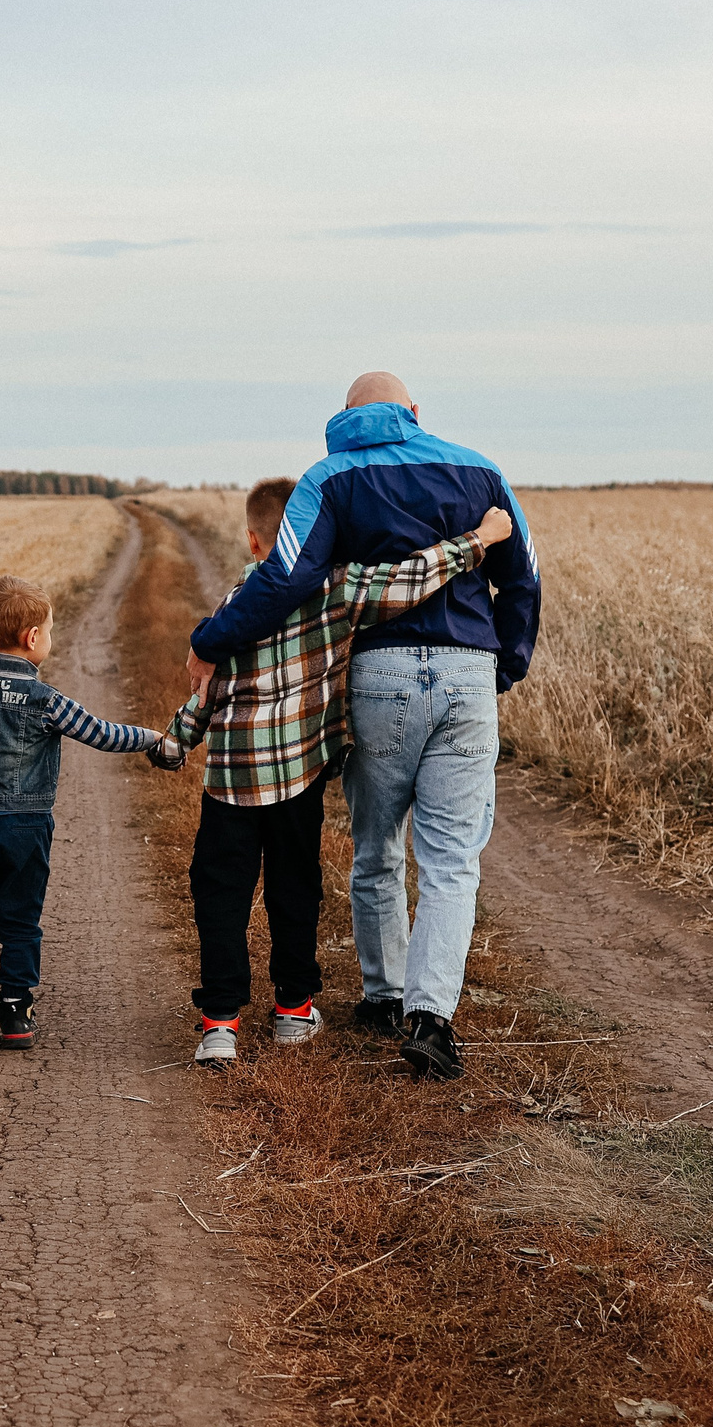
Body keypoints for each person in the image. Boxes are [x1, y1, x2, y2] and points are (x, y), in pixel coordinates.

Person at [186, 372, 540, 1080]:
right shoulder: (482, 470)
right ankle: (431, 1017)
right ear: (414, 411)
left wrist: (210, 640)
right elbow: (521, 577)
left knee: (377, 844)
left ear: (346, 417)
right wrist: (502, 666)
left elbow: (286, 579)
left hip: (379, 677)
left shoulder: (329, 477)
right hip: (468, 669)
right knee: (451, 860)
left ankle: (382, 995)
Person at [0, 575, 165, 1051]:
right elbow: (103, 733)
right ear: (33, 639)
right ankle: (14, 1011)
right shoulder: (46, 701)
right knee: (21, 919)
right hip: (26, 826)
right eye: (48, 631)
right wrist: (152, 737)